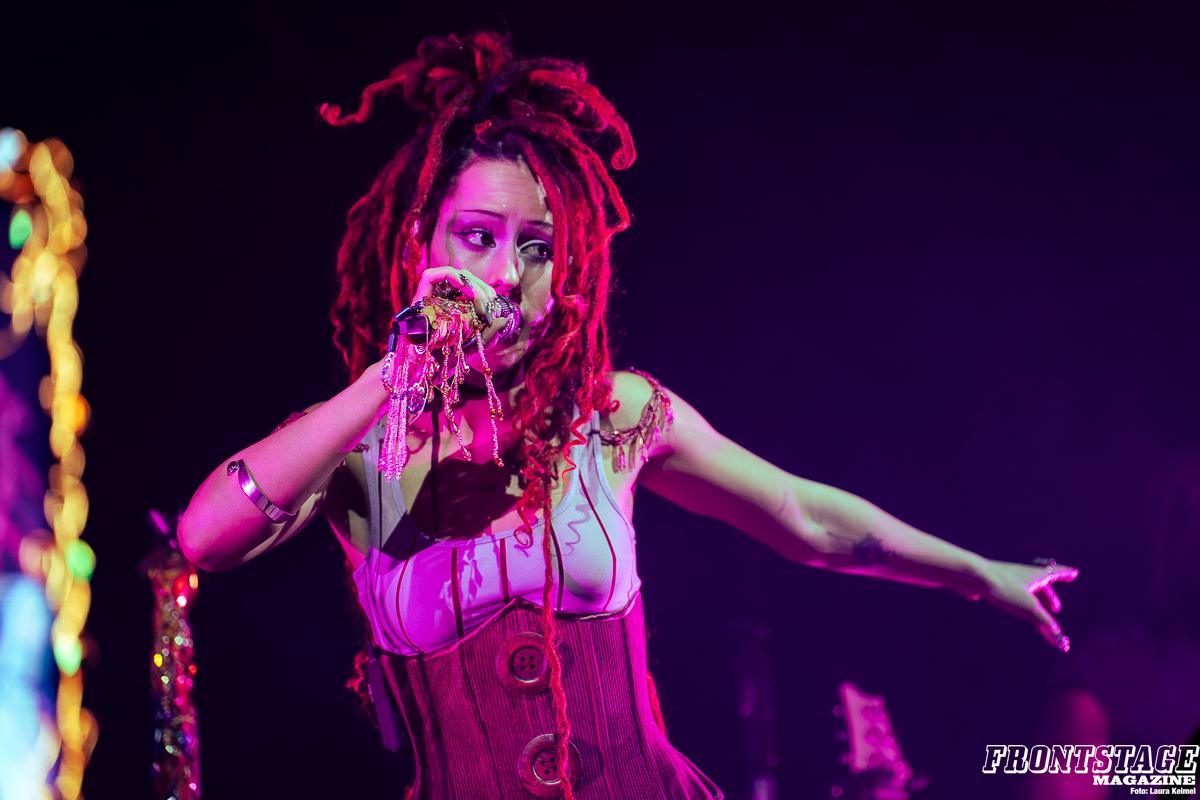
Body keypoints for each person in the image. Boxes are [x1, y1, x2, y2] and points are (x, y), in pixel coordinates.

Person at [177, 30, 1080, 800]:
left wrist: (978, 574)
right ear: (423, 243)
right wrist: (392, 376)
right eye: (477, 237)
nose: (505, 276)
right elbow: (204, 538)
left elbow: (804, 516)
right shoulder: (355, 446)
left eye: (537, 248)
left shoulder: (612, 414)